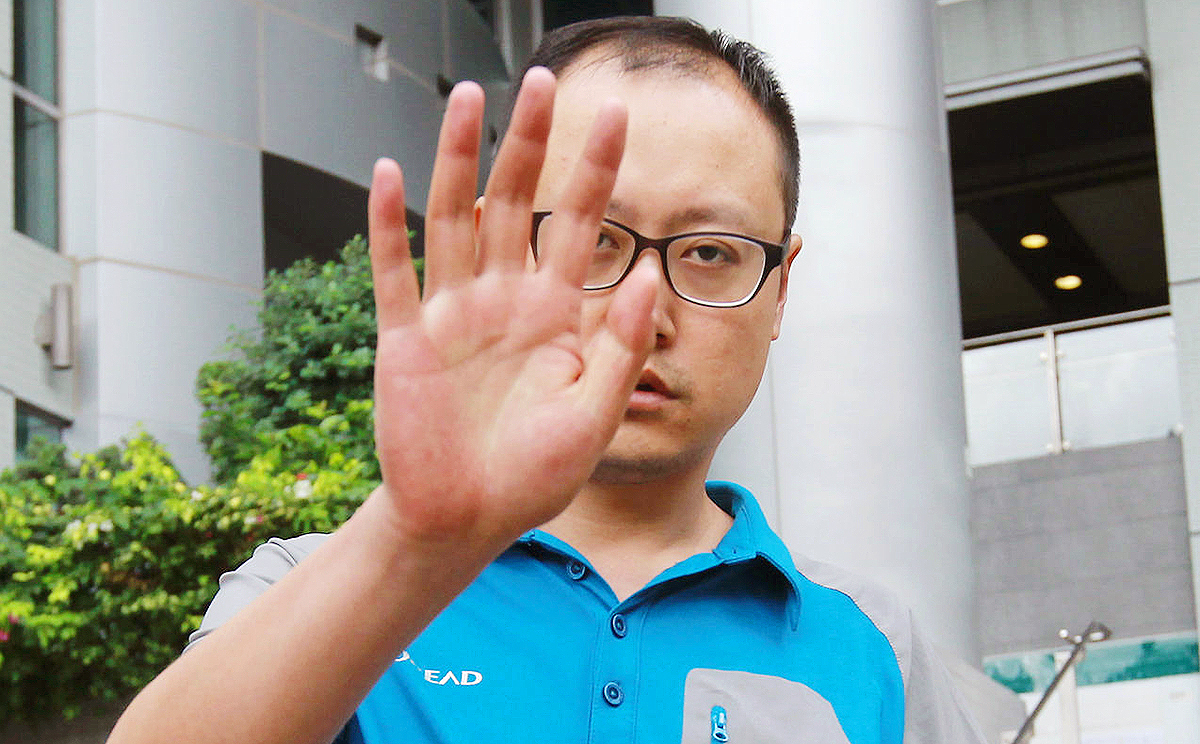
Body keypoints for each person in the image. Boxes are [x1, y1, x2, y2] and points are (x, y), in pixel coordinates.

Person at [108, 16, 986, 744]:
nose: (644, 310)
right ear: (496, 243)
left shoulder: (875, 648)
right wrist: (414, 542)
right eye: (593, 239)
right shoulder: (316, 588)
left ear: (781, 285)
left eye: (711, 253)